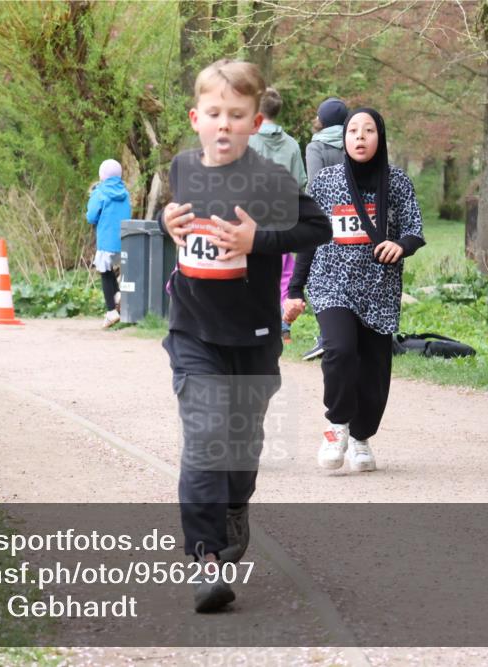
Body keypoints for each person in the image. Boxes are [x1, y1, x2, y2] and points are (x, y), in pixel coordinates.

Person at [161, 59, 331, 612]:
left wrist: (259, 239)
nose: (225, 124)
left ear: (256, 123)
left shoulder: (271, 180)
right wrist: (167, 223)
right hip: (193, 330)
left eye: (237, 115)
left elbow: (317, 228)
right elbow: (175, 217)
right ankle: (205, 559)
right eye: (214, 114)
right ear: (196, 118)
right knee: (207, 437)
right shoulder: (182, 167)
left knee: (241, 445)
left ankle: (236, 503)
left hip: (255, 337)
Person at [284, 108, 425, 472]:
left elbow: (413, 228)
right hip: (332, 283)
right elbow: (307, 237)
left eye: (368, 130)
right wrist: (295, 289)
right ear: (344, 139)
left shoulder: (397, 182)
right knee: (340, 351)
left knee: (375, 371)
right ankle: (337, 427)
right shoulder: (326, 182)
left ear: (380, 137)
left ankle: (362, 438)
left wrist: (402, 246)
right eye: (353, 131)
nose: (360, 137)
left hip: (379, 287)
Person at [247, 87, 307, 344]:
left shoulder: (247, 140)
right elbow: (301, 184)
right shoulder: (292, 145)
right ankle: (283, 327)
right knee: (284, 273)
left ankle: (255, 326)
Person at [300, 97, 349, 361]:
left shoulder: (316, 146)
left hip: (326, 219)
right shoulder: (354, 142)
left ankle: (326, 336)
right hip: (355, 218)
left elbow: (315, 185)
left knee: (321, 277)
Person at [86, 159, 131, 328]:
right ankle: (118, 295)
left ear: (102, 175)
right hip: (124, 239)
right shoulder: (125, 193)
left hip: (106, 239)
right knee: (110, 269)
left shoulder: (100, 192)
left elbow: (91, 216)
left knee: (104, 271)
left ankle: (111, 312)